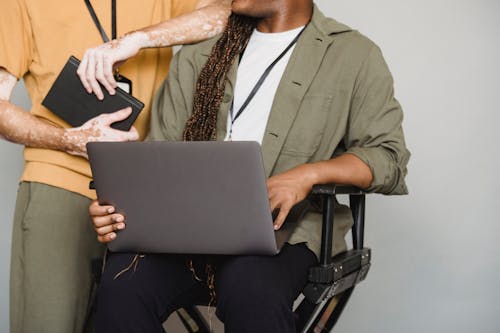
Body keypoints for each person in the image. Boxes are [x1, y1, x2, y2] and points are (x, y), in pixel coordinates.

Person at [90, 0, 411, 332]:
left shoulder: (353, 55)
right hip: (188, 228)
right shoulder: (200, 53)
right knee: (121, 287)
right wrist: (119, 210)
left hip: (285, 232)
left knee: (251, 289)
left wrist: (307, 175)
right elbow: (157, 159)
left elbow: (388, 158)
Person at [0, 0, 231, 332]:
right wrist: (69, 139)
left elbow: (225, 13)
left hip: (142, 189)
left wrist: (136, 40)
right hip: (61, 180)